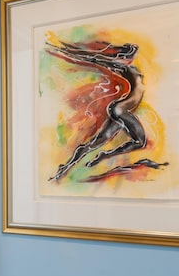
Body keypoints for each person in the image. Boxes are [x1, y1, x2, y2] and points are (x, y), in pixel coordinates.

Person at [46, 39, 148, 182]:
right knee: (140, 141)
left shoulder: (132, 69)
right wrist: (67, 52)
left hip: (119, 110)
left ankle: (65, 169)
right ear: (123, 57)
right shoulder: (121, 67)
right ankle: (104, 155)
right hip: (120, 109)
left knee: (94, 143)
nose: (131, 56)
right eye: (128, 54)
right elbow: (94, 59)